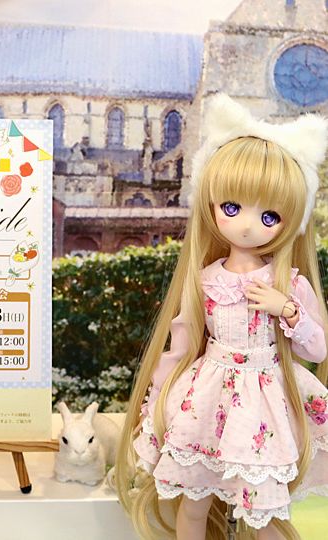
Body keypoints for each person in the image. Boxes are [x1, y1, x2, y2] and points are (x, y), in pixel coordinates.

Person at [115, 94, 328, 540]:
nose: (247, 225)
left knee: (265, 512)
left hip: (267, 400)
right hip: (208, 398)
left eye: (269, 215)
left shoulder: (288, 283)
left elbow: (316, 349)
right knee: (194, 504)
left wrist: (287, 310)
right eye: (232, 208)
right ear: (211, 206)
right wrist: (156, 402)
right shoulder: (206, 280)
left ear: (291, 220)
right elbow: (181, 346)